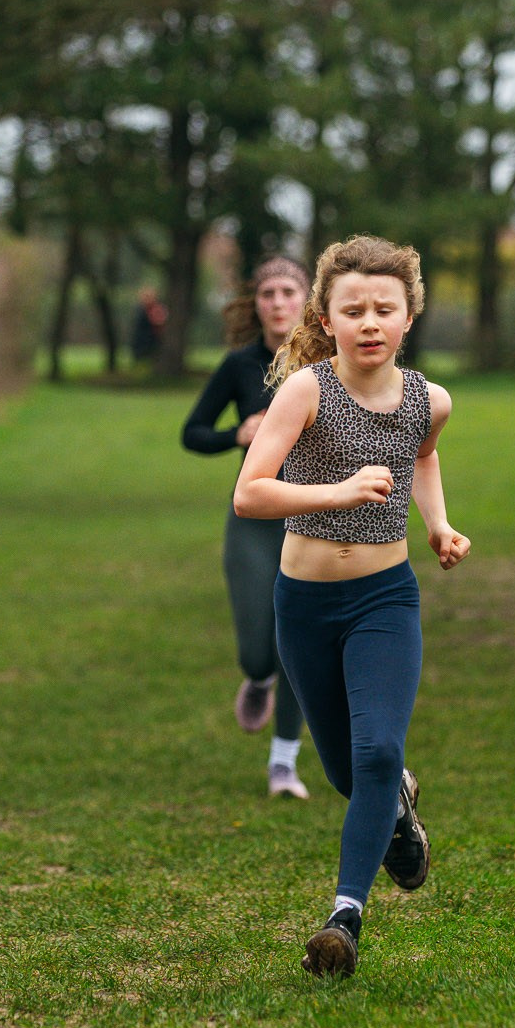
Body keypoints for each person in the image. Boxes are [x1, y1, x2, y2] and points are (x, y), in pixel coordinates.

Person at [233, 235, 471, 978]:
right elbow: (250, 493)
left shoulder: (430, 400)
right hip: (304, 604)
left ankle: (345, 917)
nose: (370, 322)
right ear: (326, 319)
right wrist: (337, 492)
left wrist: (437, 524)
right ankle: (396, 805)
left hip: (384, 599)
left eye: (385, 309)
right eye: (354, 309)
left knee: (375, 752)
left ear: (409, 317)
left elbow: (422, 456)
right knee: (347, 771)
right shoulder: (305, 391)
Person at [182, 255, 314, 799]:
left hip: (315, 520)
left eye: (289, 291)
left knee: (298, 646)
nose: (278, 302)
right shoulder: (239, 366)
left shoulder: (328, 363)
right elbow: (192, 433)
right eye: (267, 293)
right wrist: (237, 434)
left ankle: (284, 763)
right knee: (260, 650)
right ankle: (257, 678)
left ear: (308, 299)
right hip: (255, 519)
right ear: (254, 304)